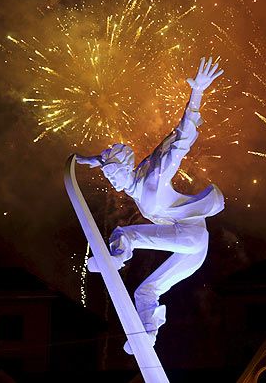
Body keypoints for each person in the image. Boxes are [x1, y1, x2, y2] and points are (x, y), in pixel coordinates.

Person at [76, 57, 225, 354]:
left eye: (112, 174)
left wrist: (196, 94)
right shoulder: (130, 181)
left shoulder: (154, 176)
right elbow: (112, 163)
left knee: (126, 233)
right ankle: (148, 334)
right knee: (146, 290)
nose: (111, 181)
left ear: (125, 168)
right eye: (108, 175)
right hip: (193, 251)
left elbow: (181, 141)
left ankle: (115, 259)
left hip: (192, 237)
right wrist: (92, 161)